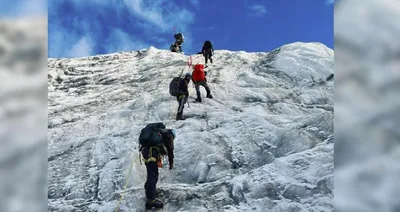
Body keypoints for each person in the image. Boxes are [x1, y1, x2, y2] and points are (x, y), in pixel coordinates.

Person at [140, 125, 176, 209]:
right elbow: (170, 149)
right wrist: (171, 162)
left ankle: (149, 191)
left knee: (151, 173)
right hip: (153, 153)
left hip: (145, 152)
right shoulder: (168, 135)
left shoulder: (155, 134)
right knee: (153, 175)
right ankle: (151, 199)